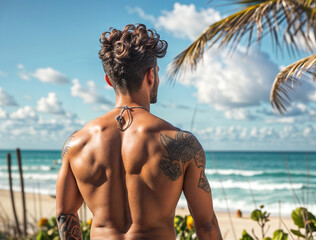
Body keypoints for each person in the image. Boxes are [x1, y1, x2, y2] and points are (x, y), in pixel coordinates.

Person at [56, 24, 222, 240]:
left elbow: (65, 214)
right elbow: (206, 224)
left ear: (109, 80)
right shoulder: (181, 143)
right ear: (150, 75)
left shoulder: (77, 143)